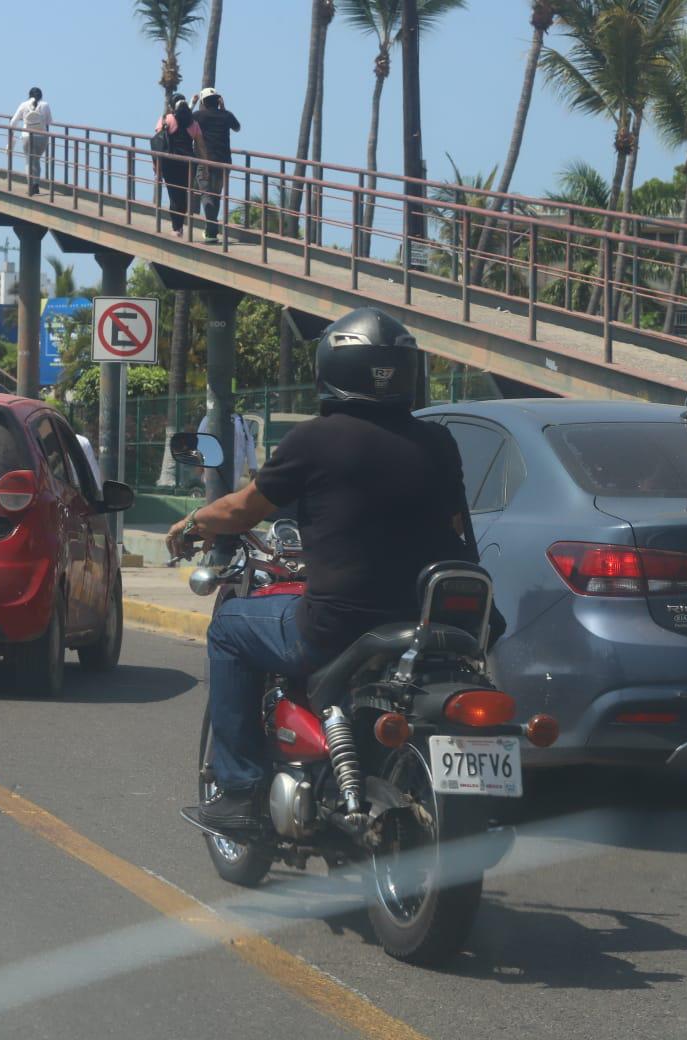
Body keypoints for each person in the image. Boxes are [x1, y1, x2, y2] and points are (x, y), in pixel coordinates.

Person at [165, 307, 473, 831]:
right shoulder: (438, 442)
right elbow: (455, 525)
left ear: (332, 367)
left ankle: (239, 789)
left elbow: (243, 510)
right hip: (425, 621)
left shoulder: (316, 439)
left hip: (337, 626)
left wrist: (195, 522)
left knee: (229, 628)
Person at [190, 87, 240, 244]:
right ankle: (211, 232)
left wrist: (192, 104)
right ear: (218, 101)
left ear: (203, 102)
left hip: (204, 161)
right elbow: (237, 127)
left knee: (205, 194)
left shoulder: (198, 116)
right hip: (224, 162)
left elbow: (182, 121)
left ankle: (212, 228)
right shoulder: (226, 115)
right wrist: (224, 109)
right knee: (216, 195)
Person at [153, 96, 203, 235]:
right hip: (188, 165)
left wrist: (156, 164)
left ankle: (177, 228)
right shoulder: (193, 123)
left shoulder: (166, 120)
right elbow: (200, 145)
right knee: (182, 194)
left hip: (170, 163)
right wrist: (205, 164)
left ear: (172, 107)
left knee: (173, 195)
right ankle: (179, 225)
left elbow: (158, 142)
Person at [196, 409, 257, 493]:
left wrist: (253, 467)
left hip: (235, 468)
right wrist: (201, 464)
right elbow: (200, 441)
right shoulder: (208, 419)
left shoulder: (240, 420)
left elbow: (249, 442)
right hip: (215, 469)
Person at [9, 87, 52, 195]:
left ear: (29, 95)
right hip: (42, 137)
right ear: (41, 95)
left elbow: (13, 122)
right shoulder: (45, 105)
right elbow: (49, 121)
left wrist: (11, 133)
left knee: (29, 160)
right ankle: (36, 183)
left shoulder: (23, 105)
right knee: (36, 160)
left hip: (27, 136)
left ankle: (31, 186)